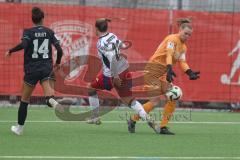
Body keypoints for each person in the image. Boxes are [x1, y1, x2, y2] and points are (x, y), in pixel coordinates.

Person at [128, 18, 200, 135]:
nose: (187, 36)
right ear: (180, 30)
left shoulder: (183, 47)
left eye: (189, 35)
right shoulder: (172, 38)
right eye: (185, 33)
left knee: (173, 97)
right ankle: (133, 119)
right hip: (153, 70)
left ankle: (163, 127)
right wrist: (170, 67)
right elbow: (169, 54)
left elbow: (182, 61)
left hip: (164, 72)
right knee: (155, 101)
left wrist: (189, 72)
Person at [86, 18, 154, 131]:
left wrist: (115, 76)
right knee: (129, 100)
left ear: (96, 29)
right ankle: (147, 117)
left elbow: (111, 58)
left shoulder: (100, 43)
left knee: (91, 89)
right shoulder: (113, 35)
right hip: (125, 69)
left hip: (111, 75)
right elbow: (121, 45)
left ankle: (95, 117)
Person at [5, 7, 63, 135]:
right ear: (43, 18)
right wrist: (58, 63)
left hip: (32, 69)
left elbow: (24, 45)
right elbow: (59, 50)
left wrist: (11, 50)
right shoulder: (49, 32)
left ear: (33, 19)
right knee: (48, 96)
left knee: (25, 100)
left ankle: (19, 128)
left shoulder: (28, 32)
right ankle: (51, 101)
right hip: (46, 68)